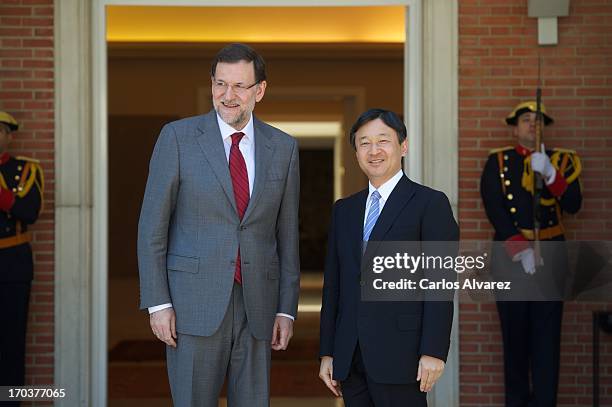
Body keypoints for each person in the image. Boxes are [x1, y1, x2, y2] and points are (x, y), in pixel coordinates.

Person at [137, 43, 300, 407]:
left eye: (239, 86)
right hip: (192, 304)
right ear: (211, 85)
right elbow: (152, 228)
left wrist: (286, 309)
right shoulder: (177, 138)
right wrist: (158, 302)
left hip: (258, 305)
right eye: (220, 84)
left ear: (259, 91)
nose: (228, 95)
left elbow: (287, 235)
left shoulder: (284, 148)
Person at [318, 109, 459, 406]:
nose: (374, 151)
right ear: (356, 152)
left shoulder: (430, 204)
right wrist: (328, 351)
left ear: (403, 146)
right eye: (364, 143)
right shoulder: (344, 210)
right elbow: (334, 285)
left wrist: (433, 351)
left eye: (383, 141)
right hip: (350, 356)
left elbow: (440, 284)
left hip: (402, 356)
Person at [480, 101, 582, 406]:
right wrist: (519, 248)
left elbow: (574, 204)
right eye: (526, 119)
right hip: (511, 262)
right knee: (515, 342)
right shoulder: (498, 162)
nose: (532, 124)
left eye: (537, 120)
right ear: (514, 128)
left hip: (550, 259)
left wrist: (551, 174)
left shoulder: (561, 161)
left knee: (547, 342)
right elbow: (494, 207)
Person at [0, 112, 44, 397]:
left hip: (11, 264)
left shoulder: (25, 170)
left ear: (9, 136)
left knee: (11, 343)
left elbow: (30, 212)